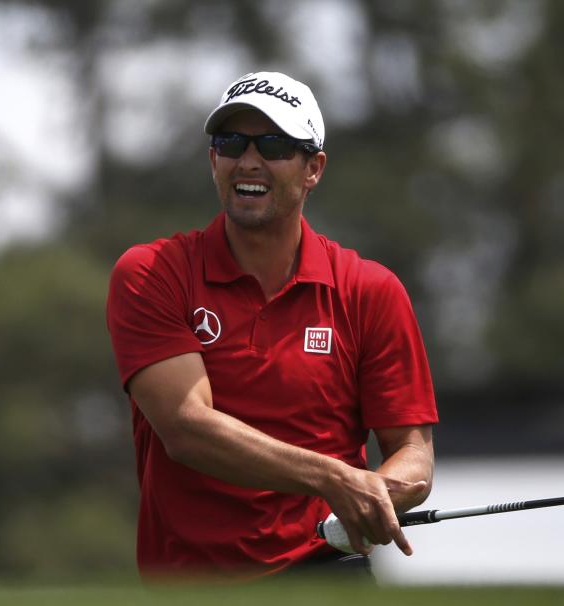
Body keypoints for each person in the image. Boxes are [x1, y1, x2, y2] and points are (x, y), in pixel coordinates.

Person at [106, 71, 438, 579]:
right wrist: (334, 478)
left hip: (328, 570)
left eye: (275, 145)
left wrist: (379, 492)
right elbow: (185, 428)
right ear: (213, 159)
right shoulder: (153, 272)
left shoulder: (369, 290)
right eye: (231, 142)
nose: (249, 160)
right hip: (192, 588)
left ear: (314, 169)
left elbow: (412, 452)